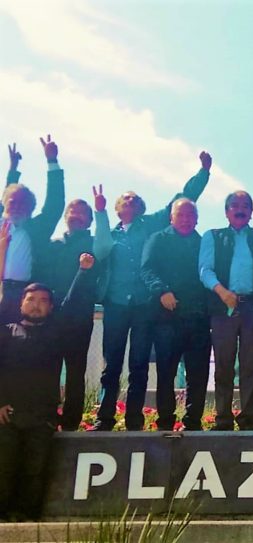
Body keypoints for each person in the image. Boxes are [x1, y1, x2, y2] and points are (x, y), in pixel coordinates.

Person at [91, 151, 212, 431]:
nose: (130, 201)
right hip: (117, 304)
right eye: (125, 199)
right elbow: (100, 249)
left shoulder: (152, 225)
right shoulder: (112, 232)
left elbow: (183, 197)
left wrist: (203, 172)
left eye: (135, 198)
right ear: (118, 208)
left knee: (139, 365)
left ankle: (134, 421)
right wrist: (99, 212)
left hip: (146, 307)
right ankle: (104, 418)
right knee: (111, 366)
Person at [0, 250, 94, 520]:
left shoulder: (56, 333)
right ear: (21, 304)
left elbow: (72, 303)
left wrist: (83, 272)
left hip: (42, 417)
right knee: (4, 469)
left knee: (35, 471)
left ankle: (27, 522)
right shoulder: (6, 332)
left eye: (43, 301)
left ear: (50, 307)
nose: (36, 305)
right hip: (7, 415)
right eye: (31, 300)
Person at [36, 185, 105, 431]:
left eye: (81, 213)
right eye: (71, 212)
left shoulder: (95, 246)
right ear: (66, 217)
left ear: (88, 220)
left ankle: (71, 422)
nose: (75, 216)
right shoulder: (54, 245)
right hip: (52, 316)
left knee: (76, 371)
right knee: (49, 368)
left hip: (79, 318)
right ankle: (47, 417)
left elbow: (94, 277)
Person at [199, 191, 253, 431]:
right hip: (223, 306)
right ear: (226, 211)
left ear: (251, 211)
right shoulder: (213, 236)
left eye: (245, 206)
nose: (240, 209)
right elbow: (205, 270)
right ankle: (223, 420)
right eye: (235, 205)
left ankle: (248, 420)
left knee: (251, 365)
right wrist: (221, 291)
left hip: (252, 308)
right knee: (224, 365)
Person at [140, 199, 210, 431]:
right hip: (167, 319)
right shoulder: (158, 239)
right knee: (166, 373)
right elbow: (147, 269)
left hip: (198, 320)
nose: (186, 219)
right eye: (181, 215)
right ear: (171, 217)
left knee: (197, 376)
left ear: (197, 219)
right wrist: (162, 291)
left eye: (191, 215)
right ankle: (166, 422)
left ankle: (192, 422)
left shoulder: (204, 243)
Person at [1, 137, 65, 324]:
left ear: (31, 210)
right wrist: (13, 170)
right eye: (13, 202)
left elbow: (55, 204)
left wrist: (52, 161)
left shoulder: (36, 229)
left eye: (24, 204)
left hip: (23, 295)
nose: (17, 206)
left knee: (17, 348)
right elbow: (8, 194)